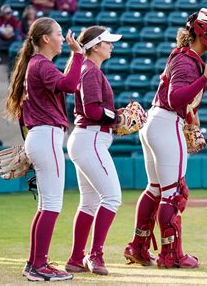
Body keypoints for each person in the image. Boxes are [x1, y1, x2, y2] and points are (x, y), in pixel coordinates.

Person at [123, 8, 207, 269]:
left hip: (157, 122)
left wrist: (191, 116)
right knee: (174, 194)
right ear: (201, 31)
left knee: (155, 190)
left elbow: (177, 100)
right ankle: (171, 255)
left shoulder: (184, 57)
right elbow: (175, 98)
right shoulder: (187, 60)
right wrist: (204, 78)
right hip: (166, 122)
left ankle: (138, 246)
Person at [3, 17, 84, 281]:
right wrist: (79, 55)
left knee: (46, 206)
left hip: (40, 136)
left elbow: (63, 83)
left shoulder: (35, 64)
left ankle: (34, 263)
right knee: (51, 205)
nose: (63, 38)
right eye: (59, 34)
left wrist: (74, 57)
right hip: (46, 136)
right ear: (46, 39)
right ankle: (39, 266)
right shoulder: (41, 64)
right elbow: (71, 86)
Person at [64, 26, 123, 275]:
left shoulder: (90, 69)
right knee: (112, 197)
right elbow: (93, 111)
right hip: (91, 138)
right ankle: (94, 255)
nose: (111, 45)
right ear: (96, 46)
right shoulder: (90, 70)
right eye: (107, 42)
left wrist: (113, 117)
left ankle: (76, 258)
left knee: (89, 203)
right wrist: (117, 117)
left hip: (87, 139)